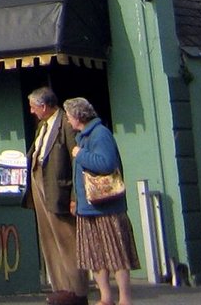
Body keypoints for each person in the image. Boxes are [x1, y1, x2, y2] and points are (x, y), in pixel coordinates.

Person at [66, 97, 138, 305]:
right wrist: (76, 200)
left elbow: (106, 163)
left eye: (70, 116)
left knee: (116, 254)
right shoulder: (82, 137)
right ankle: (105, 297)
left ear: (78, 116)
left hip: (106, 207)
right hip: (88, 207)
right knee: (95, 255)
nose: (68, 121)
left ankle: (125, 298)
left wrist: (80, 155)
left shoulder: (100, 135)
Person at [27, 87, 89, 305]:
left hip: (58, 188)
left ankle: (77, 289)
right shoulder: (42, 126)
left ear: (44, 106)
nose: (32, 111)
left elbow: (76, 160)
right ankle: (61, 287)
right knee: (50, 239)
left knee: (67, 239)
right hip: (39, 184)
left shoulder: (65, 124)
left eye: (34, 107)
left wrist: (75, 195)